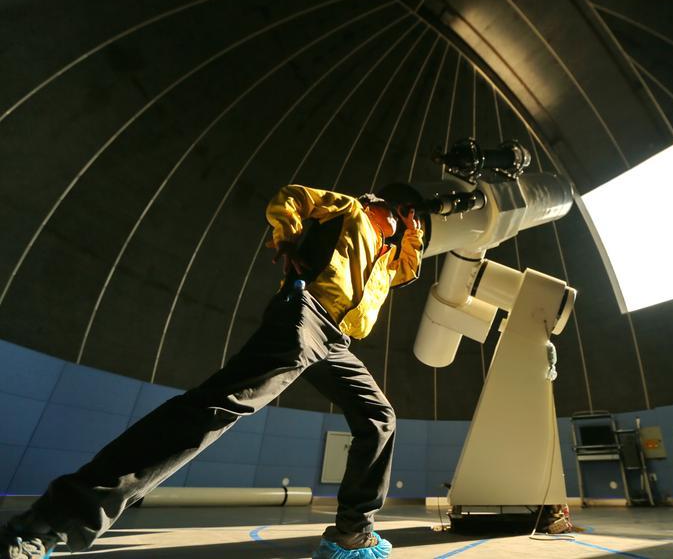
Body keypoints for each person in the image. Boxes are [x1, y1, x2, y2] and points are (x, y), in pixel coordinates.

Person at [2, 185, 424, 559]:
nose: (405, 228)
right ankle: (49, 523)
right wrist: (289, 237)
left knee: (379, 418)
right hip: (306, 313)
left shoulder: (387, 256)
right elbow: (292, 197)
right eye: (406, 216)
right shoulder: (349, 208)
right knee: (217, 407)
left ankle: (352, 533)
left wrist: (413, 233)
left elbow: (406, 271)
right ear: (386, 206)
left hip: (337, 342)